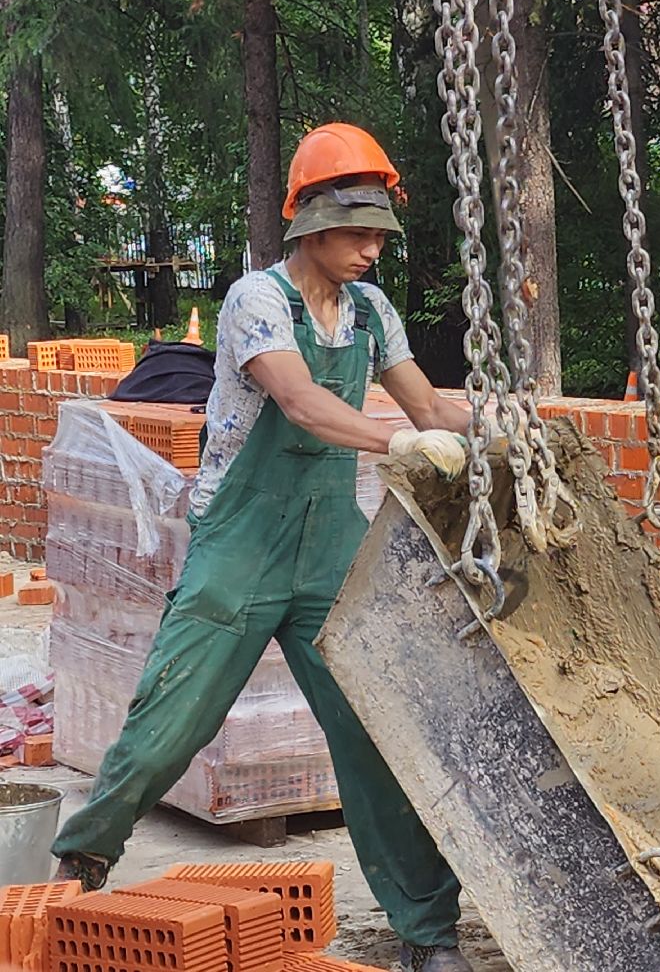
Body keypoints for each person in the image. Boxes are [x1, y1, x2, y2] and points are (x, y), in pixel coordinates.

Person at [52, 123, 477, 972]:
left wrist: (513, 432)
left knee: (374, 729)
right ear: (309, 228)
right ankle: (87, 852)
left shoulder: (369, 310)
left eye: (378, 234)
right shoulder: (256, 300)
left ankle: (426, 934)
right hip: (238, 545)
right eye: (356, 233)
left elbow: (430, 409)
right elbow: (303, 405)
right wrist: (392, 446)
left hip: (328, 551)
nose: (370, 249)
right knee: (175, 714)